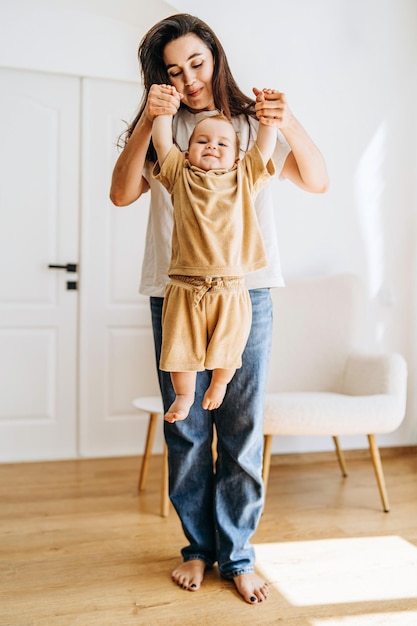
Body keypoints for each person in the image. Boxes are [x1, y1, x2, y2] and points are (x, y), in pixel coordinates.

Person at [110, 13, 328, 605]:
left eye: (197, 64)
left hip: (246, 292)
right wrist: (151, 120)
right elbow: (122, 192)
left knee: (240, 430)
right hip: (173, 291)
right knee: (186, 429)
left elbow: (316, 178)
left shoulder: (246, 128)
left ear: (216, 56)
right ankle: (198, 550)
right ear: (160, 77)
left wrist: (284, 120)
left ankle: (237, 554)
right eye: (173, 71)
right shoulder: (165, 131)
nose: (189, 80)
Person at [151, 88, 277, 423]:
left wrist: (267, 119)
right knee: (179, 348)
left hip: (231, 286)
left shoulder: (243, 178)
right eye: (202, 141)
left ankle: (219, 384)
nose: (212, 146)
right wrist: (163, 111)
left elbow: (264, 148)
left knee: (229, 345)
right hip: (184, 285)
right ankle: (184, 395)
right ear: (188, 152)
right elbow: (163, 143)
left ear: (236, 157)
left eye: (222, 144)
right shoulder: (180, 176)